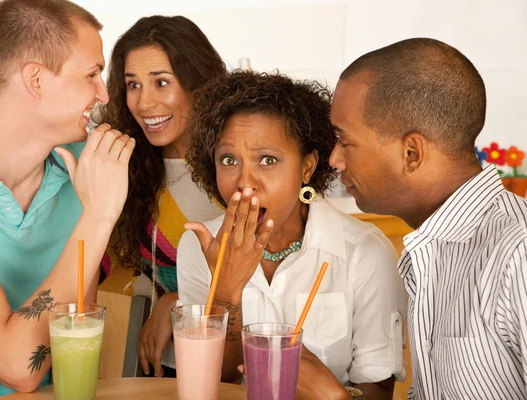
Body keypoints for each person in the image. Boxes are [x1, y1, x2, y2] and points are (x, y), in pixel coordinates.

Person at [0, 1, 135, 398]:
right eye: (92, 74)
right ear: (36, 79)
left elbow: (72, 337)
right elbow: (19, 368)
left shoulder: (81, 176)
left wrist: (94, 209)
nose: (104, 94)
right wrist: (98, 216)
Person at [177, 70, 407, 400]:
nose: (245, 182)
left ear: (307, 168)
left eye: (267, 160)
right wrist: (226, 290)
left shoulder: (364, 253)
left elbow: (378, 391)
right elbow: (213, 384)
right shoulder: (198, 246)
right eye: (229, 160)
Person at [329, 37, 527, 400]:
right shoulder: (432, 252)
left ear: (411, 153)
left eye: (345, 140)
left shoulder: (517, 254)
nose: (334, 160)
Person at [98, 16, 227, 378]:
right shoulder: (126, 165)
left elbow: (273, 270)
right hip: (152, 364)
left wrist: (180, 302)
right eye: (133, 85)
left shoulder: (235, 165)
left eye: (161, 82)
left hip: (233, 361)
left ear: (198, 84)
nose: (144, 102)